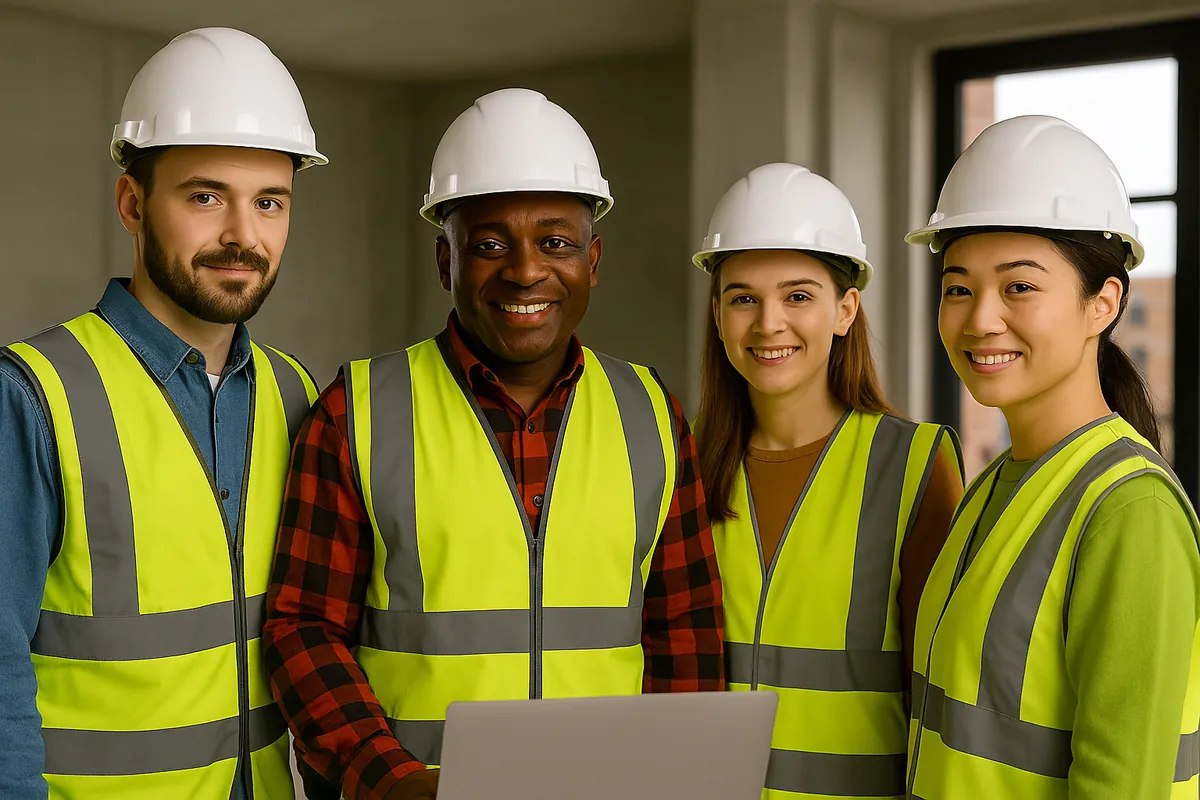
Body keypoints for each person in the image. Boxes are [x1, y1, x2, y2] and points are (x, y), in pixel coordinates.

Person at [262, 87, 725, 800]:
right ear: (445, 262)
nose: (525, 270)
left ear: (592, 261)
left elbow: (686, 634)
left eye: (556, 242)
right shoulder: (356, 410)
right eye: (487, 245)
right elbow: (303, 629)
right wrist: (393, 784)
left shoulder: (650, 414)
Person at [0, 27, 325, 800]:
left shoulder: (295, 395)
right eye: (205, 196)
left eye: (269, 202)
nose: (243, 236)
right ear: (133, 203)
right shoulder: (33, 395)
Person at [903, 114, 1200, 799]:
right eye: (958, 287)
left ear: (1104, 303)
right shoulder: (992, 490)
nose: (980, 319)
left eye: (1020, 287)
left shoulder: (1132, 514)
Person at [692, 162, 964, 799]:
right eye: (743, 298)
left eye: (798, 296)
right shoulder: (679, 461)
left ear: (845, 311)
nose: (768, 324)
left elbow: (940, 695)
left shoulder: (914, 465)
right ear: (717, 313)